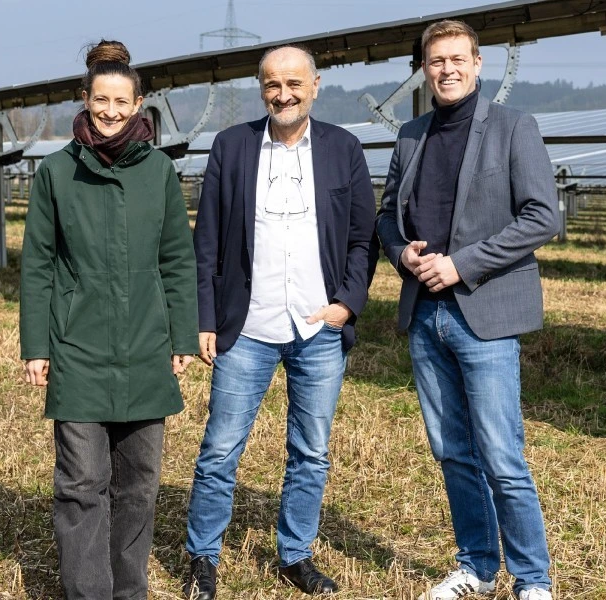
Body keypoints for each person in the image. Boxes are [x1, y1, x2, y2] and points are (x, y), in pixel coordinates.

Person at [376, 20, 560, 600]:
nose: (447, 69)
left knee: (502, 454)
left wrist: (464, 263)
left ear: (478, 64)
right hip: (425, 316)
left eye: (458, 59)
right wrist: (399, 250)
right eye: (436, 61)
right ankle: (478, 567)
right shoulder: (410, 135)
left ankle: (533, 580)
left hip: (484, 313)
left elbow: (542, 217)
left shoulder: (513, 127)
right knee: (453, 451)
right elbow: (385, 215)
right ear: (424, 69)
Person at [184, 45, 376, 598]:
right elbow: (208, 243)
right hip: (245, 328)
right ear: (261, 88)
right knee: (221, 448)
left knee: (311, 451)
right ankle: (203, 557)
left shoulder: (344, 149)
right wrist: (205, 319)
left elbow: (364, 239)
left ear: (315, 85)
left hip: (319, 328)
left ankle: (295, 554)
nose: (283, 94)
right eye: (272, 84)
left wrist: (347, 303)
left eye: (294, 83)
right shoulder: (232, 146)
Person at [19, 39, 198, 600]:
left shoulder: (160, 173)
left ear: (139, 103)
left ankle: (130, 591)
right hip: (79, 346)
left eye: (123, 102)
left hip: (147, 345)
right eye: (102, 100)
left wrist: (183, 335)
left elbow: (177, 258)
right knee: (81, 484)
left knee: (140, 486)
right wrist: (36, 345)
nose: (112, 112)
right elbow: (38, 264)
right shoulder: (55, 172)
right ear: (86, 98)